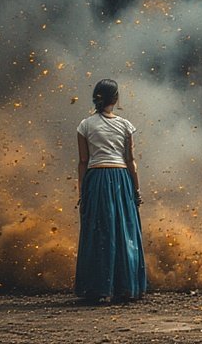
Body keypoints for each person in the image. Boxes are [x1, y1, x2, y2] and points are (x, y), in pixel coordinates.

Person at [75, 78, 146, 302]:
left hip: (96, 179)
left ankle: (97, 289)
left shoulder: (85, 125)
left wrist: (82, 192)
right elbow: (131, 161)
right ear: (116, 99)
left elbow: (83, 161)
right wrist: (136, 189)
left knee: (99, 231)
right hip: (121, 178)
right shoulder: (125, 125)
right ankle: (125, 288)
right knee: (124, 230)